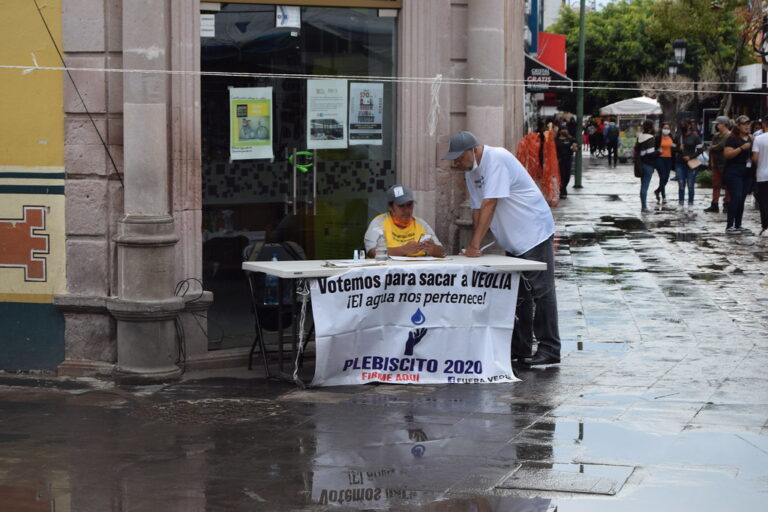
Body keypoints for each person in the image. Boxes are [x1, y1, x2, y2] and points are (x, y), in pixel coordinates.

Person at [443, 131, 560, 366]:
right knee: (520, 294)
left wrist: (475, 244)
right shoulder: (471, 172)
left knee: (541, 291)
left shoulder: (496, 158)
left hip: (533, 231)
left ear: (472, 150)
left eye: (459, 157)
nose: (456, 163)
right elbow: (477, 209)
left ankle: (550, 347)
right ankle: (521, 347)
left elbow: (490, 202)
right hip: (513, 237)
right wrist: (472, 245)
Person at [364, 184, 445, 258]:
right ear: (390, 207)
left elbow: (442, 252)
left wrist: (433, 249)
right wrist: (403, 250)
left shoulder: (421, 224)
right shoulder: (379, 223)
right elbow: (371, 252)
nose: (406, 210)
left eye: (409, 205)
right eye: (401, 206)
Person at [722, 115, 755, 234]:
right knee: (736, 197)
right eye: (744, 124)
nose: (747, 126)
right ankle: (729, 225)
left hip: (747, 171)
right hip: (734, 171)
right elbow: (727, 154)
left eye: (748, 124)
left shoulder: (751, 138)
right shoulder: (732, 139)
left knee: (742, 199)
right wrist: (741, 148)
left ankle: (738, 224)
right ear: (738, 126)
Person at [703, 116, 731, 213]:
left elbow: (721, 145)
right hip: (716, 163)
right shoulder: (716, 135)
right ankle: (714, 204)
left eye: (718, 124)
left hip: (726, 163)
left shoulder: (728, 135)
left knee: (727, 185)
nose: (717, 126)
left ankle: (727, 204)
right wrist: (711, 161)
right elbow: (713, 148)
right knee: (716, 185)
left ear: (724, 124)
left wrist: (713, 147)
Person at [675, 119, 704, 210]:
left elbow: (700, 149)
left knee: (690, 184)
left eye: (684, 124)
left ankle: (690, 203)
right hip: (680, 163)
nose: (683, 126)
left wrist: (691, 157)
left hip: (691, 163)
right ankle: (681, 203)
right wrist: (679, 148)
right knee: (681, 183)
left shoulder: (695, 137)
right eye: (681, 125)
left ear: (689, 125)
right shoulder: (678, 136)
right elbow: (673, 149)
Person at [635, 119, 658, 213]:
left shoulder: (640, 137)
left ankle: (643, 206)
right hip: (648, 165)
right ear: (651, 128)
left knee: (643, 186)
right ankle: (644, 208)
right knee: (645, 186)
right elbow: (650, 153)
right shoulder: (651, 138)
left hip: (640, 164)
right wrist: (659, 151)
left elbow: (636, 150)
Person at [753, 117, 768, 236]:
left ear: (764, 124)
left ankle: (765, 226)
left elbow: (755, 158)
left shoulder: (758, 138)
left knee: (764, 202)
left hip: (762, 174)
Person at [653, 122, 675, 204]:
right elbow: (654, 148)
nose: (666, 130)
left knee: (666, 178)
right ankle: (664, 196)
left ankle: (657, 191)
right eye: (665, 128)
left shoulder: (671, 137)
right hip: (660, 159)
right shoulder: (658, 138)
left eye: (668, 128)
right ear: (661, 129)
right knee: (662, 177)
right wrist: (657, 151)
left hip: (669, 159)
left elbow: (673, 147)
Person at [555, 128, 578, 198]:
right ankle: (562, 191)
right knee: (562, 175)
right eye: (563, 130)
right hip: (559, 160)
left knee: (567, 176)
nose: (564, 131)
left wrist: (574, 147)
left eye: (566, 130)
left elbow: (576, 149)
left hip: (568, 159)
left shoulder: (571, 139)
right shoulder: (556, 140)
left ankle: (563, 188)